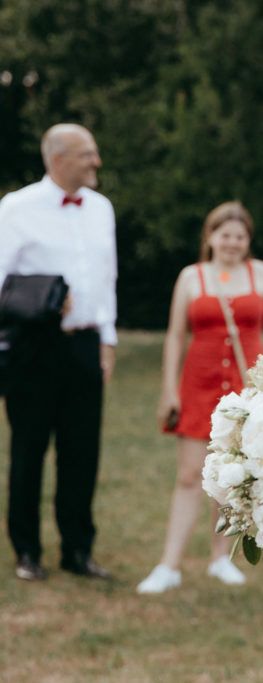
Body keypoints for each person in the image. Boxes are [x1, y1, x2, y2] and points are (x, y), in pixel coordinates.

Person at [137, 201, 263, 593]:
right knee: (190, 475)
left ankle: (220, 557)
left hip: (246, 387)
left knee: (232, 475)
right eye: (225, 235)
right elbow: (175, 335)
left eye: (240, 236)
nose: (232, 243)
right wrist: (169, 389)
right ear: (210, 237)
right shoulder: (191, 277)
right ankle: (169, 565)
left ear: (247, 241)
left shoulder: (261, 274)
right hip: (199, 384)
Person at [0, 123, 117, 581]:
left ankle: (78, 549)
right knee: (29, 448)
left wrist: (107, 341)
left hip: (85, 344)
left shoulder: (102, 209)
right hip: (34, 347)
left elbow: (107, 281)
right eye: (87, 154)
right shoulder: (16, 209)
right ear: (57, 159)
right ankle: (26, 551)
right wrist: (41, 296)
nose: (96, 162)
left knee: (82, 450)